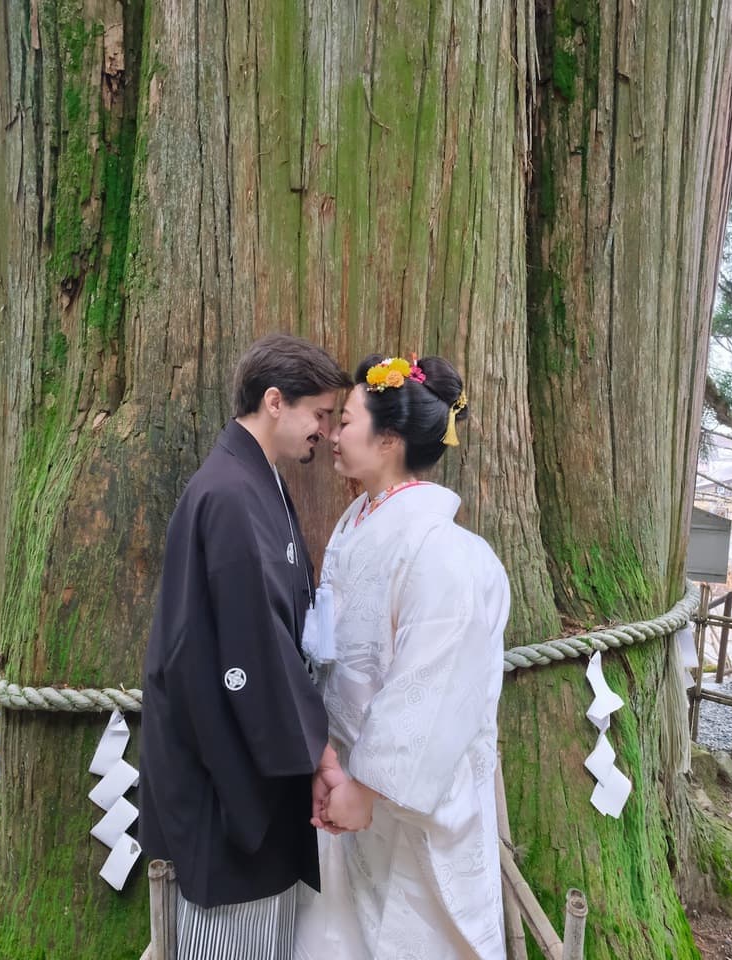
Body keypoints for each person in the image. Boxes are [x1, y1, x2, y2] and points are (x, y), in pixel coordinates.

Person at [138, 333, 351, 960]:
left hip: (248, 739)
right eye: (320, 414)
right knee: (230, 934)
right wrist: (317, 751)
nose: (325, 431)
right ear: (276, 401)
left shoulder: (260, 482)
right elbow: (252, 646)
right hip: (222, 753)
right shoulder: (230, 492)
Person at [298, 354, 510, 960]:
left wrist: (365, 789)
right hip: (345, 775)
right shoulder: (357, 524)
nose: (334, 434)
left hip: (404, 795)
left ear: (389, 439)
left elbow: (435, 685)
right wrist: (328, 758)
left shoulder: (450, 554)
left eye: (349, 421)